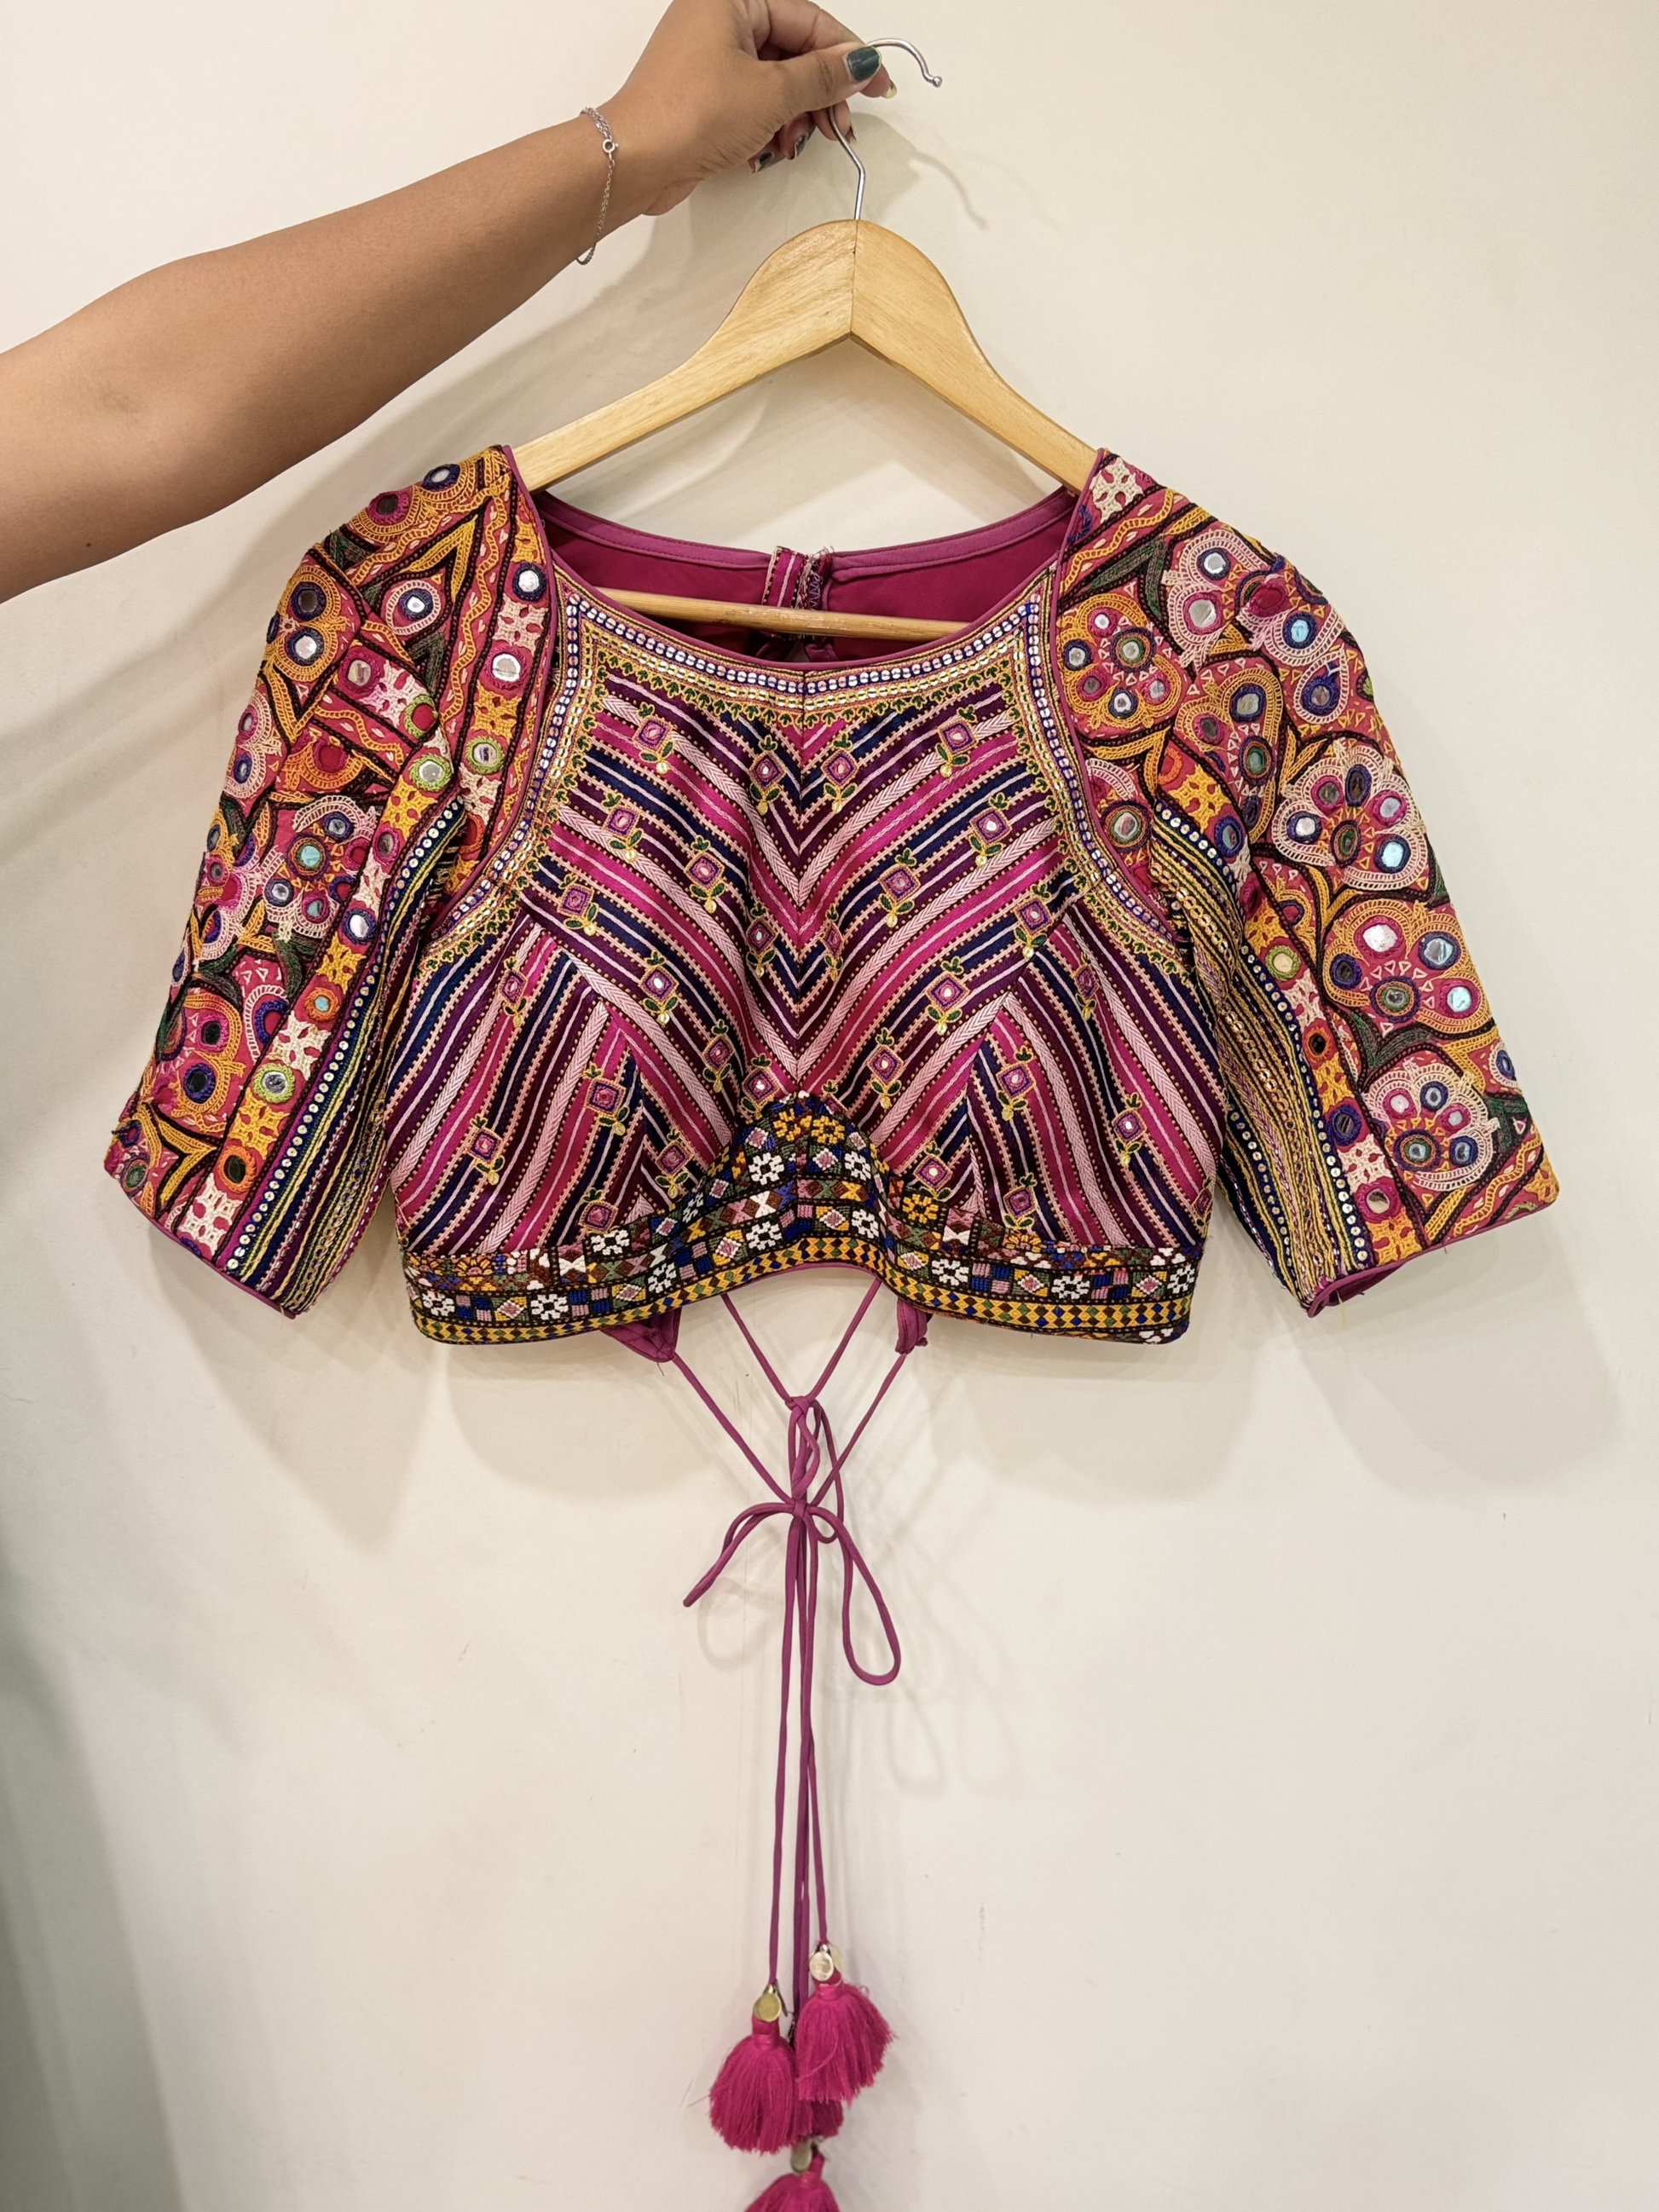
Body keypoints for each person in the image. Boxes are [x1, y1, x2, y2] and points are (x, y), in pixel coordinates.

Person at [0, 0, 893, 605]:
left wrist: (643, 148)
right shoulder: (404, 630)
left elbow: (128, 415)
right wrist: (641, 148)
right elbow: (125, 416)